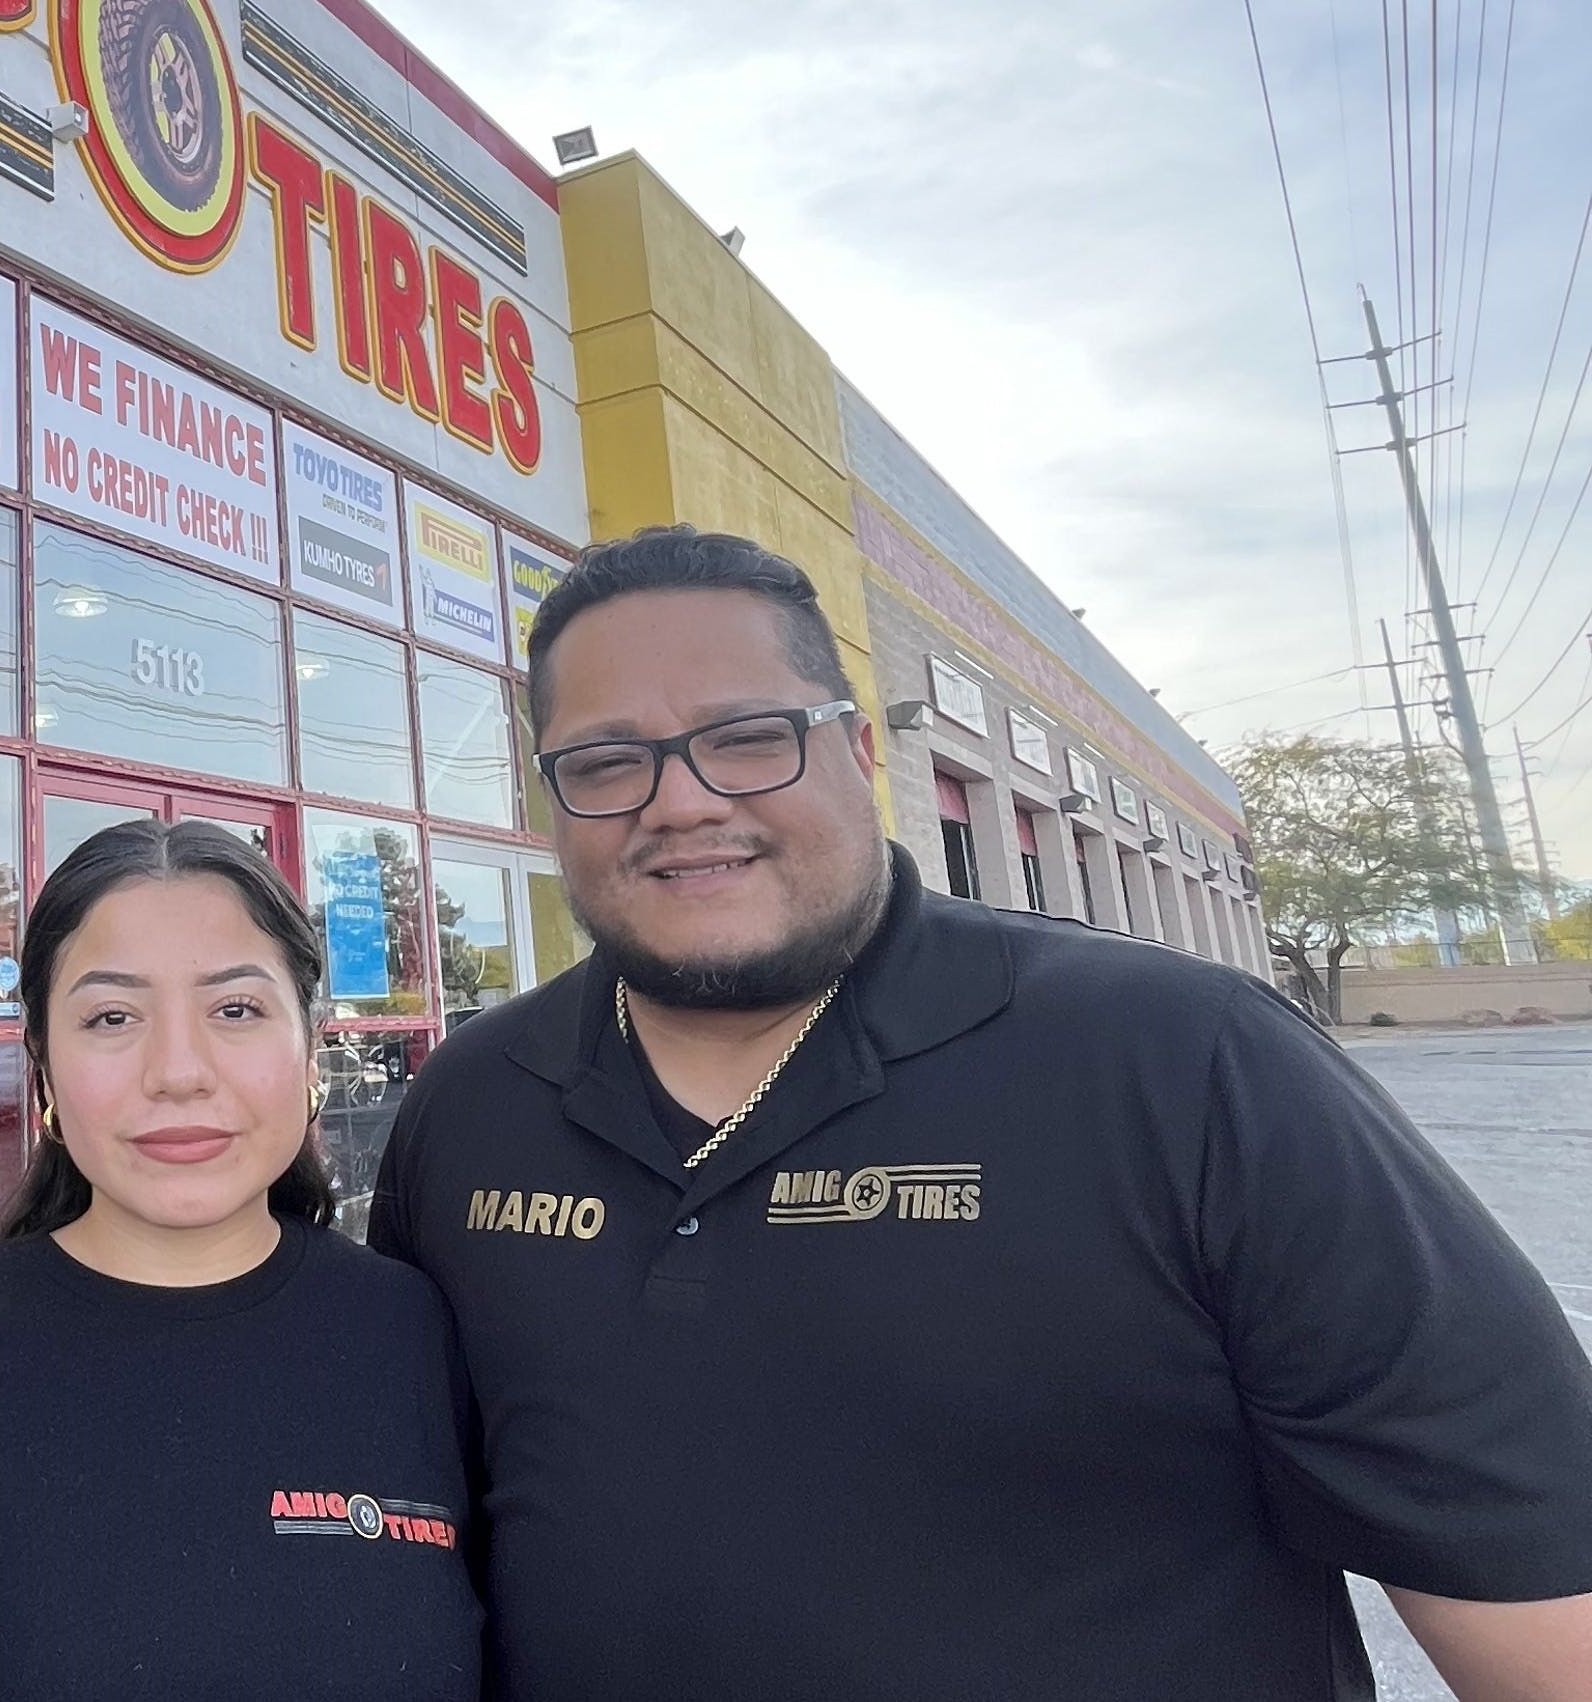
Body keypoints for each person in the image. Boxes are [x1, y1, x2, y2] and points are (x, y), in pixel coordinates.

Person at [373, 525, 1592, 1702]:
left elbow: (1537, 1594)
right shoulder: (469, 1105)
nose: (680, 801)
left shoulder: (1187, 1063)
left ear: (860, 752)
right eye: (605, 763)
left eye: (747, 739)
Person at [0, 820, 480, 1702]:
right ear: (43, 1067)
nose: (178, 1072)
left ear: (311, 1046)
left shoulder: (421, 1338)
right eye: (112, 1017)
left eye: (236, 1009)